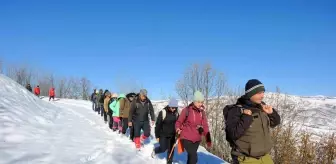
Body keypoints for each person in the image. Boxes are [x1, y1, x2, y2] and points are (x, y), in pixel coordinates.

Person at [224, 79, 281, 164]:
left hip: (265, 157)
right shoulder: (236, 110)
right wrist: (246, 118)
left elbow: (275, 123)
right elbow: (232, 134)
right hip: (246, 159)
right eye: (259, 93)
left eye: (263, 92)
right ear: (250, 94)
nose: (262, 96)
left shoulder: (261, 107)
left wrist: (271, 113)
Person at [175, 91, 212, 164]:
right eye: (198, 102)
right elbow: (178, 122)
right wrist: (178, 128)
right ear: (194, 101)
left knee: (191, 157)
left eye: (201, 102)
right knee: (194, 157)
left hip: (197, 139)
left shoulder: (202, 112)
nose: (200, 104)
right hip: (186, 137)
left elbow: (205, 125)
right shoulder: (186, 110)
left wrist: (208, 138)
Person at [152, 98, 179, 164]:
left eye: (175, 108)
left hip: (172, 135)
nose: (174, 109)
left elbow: (178, 123)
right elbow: (158, 125)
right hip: (163, 134)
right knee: (163, 148)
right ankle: (155, 151)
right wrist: (157, 136)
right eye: (172, 107)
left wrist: (178, 132)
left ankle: (169, 162)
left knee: (171, 150)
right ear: (169, 106)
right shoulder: (163, 112)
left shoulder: (176, 114)